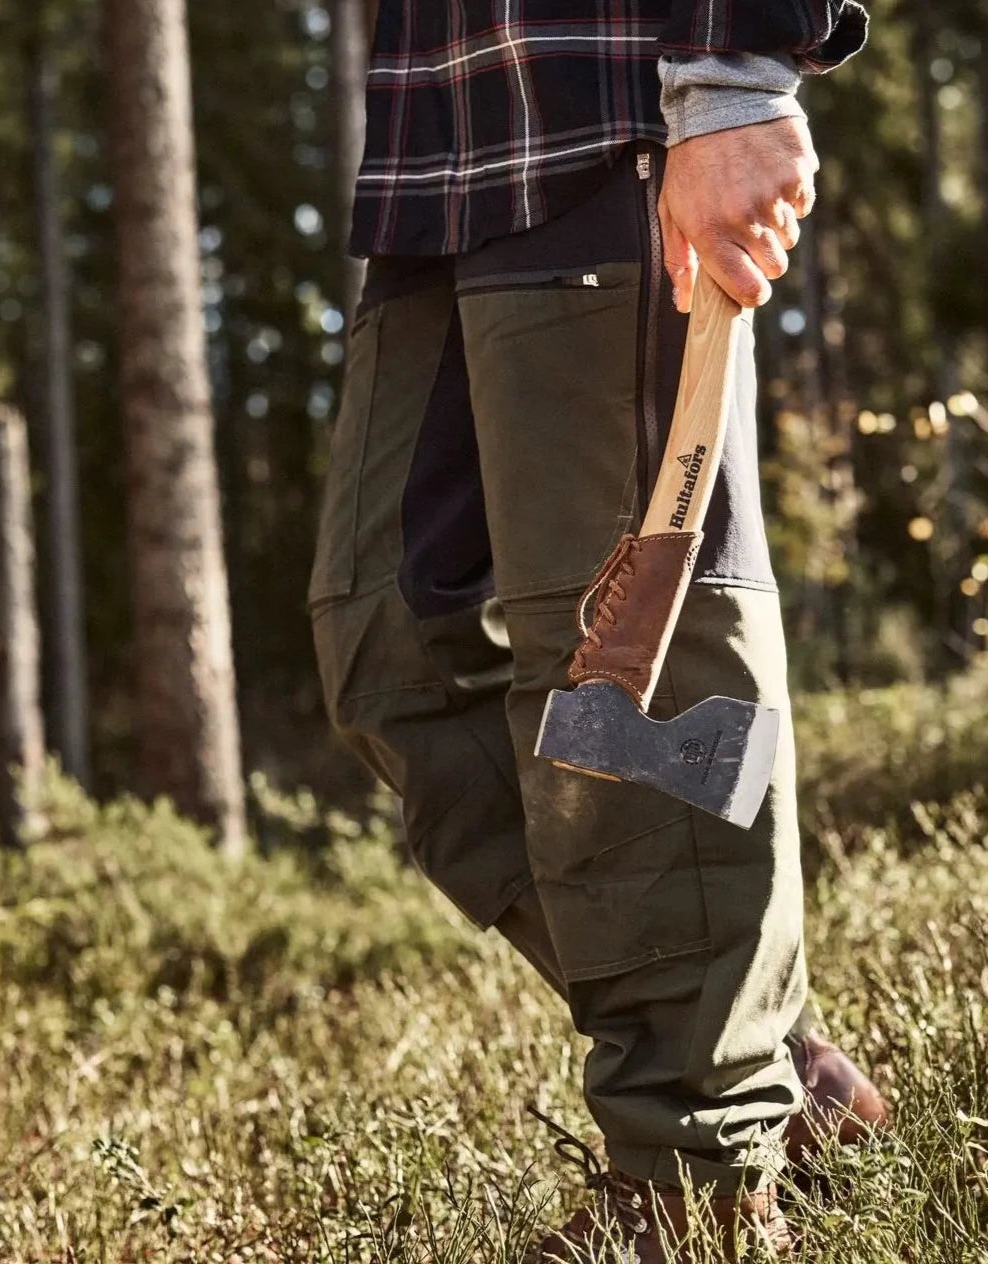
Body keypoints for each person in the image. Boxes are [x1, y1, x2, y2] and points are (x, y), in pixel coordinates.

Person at [309, 2, 888, 1257]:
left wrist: (737, 68)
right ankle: (762, 1063)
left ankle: (700, 1188)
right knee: (394, 651)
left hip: (618, 101)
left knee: (630, 690)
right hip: (442, 142)